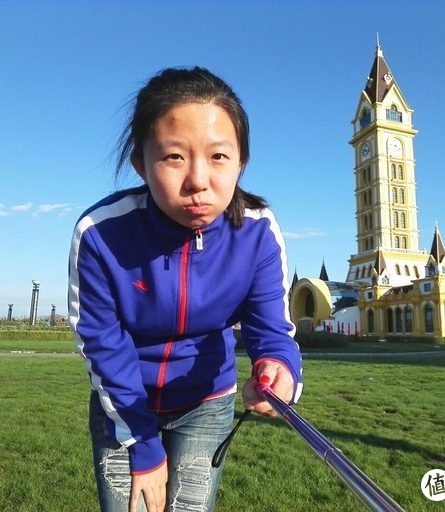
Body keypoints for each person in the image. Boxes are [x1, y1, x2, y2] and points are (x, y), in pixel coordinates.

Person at [68, 66, 303, 512]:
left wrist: (280, 370)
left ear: (240, 163)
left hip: (208, 402)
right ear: (141, 162)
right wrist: (142, 442)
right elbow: (101, 342)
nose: (198, 180)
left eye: (219, 157)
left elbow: (270, 327)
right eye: (174, 157)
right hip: (123, 405)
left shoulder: (257, 231)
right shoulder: (100, 232)